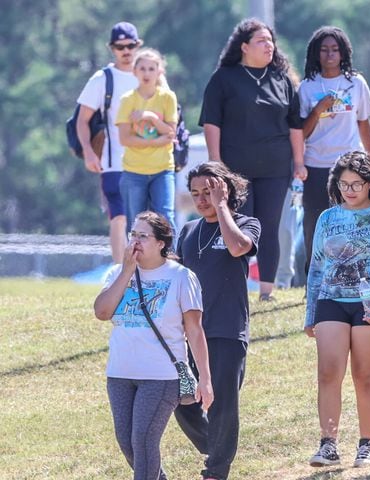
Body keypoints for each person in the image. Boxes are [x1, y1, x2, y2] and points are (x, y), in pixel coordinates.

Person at [93, 211, 214, 480]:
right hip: (120, 373)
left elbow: (194, 331)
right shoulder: (117, 272)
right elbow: (102, 312)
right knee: (127, 443)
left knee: (144, 440)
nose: (135, 241)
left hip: (161, 376)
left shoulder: (181, 277)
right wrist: (126, 270)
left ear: (161, 242)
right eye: (133, 234)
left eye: (143, 236)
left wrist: (205, 379)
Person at [304, 151, 370, 468]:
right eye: (344, 184)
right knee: (327, 373)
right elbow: (316, 268)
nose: (350, 190)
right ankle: (328, 444)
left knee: (364, 375)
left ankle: (368, 444)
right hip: (331, 300)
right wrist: (310, 314)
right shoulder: (327, 218)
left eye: (356, 184)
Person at [199, 17, 306, 301]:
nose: (268, 46)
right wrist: (215, 164)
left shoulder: (282, 80)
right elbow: (211, 123)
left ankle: (267, 291)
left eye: (271, 41)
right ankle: (236, 288)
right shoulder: (223, 79)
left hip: (275, 167)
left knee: (269, 227)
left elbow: (295, 125)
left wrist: (299, 163)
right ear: (244, 46)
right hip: (236, 170)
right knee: (239, 226)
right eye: (261, 41)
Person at [173, 162, 261, 480]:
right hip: (189, 334)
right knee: (179, 397)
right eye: (195, 193)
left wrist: (222, 207)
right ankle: (218, 448)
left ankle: (217, 469)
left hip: (227, 329)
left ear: (224, 191)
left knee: (222, 403)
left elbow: (239, 248)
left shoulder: (245, 223)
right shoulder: (187, 231)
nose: (201, 200)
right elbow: (173, 275)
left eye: (208, 192)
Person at [298, 26, 370, 274]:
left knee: (351, 221)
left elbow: (363, 121)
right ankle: (314, 276)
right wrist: (318, 109)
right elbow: (302, 131)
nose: (330, 55)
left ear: (343, 53)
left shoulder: (356, 83)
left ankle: (352, 272)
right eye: (324, 50)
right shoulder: (307, 87)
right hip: (316, 164)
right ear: (315, 54)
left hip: (348, 165)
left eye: (335, 49)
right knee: (315, 223)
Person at [77, 22, 142, 263]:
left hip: (149, 161)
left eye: (130, 45)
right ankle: (120, 275)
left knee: (150, 218)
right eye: (120, 46)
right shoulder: (103, 79)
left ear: (138, 45)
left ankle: (148, 275)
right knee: (119, 217)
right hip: (114, 162)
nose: (126, 51)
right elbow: (82, 120)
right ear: (112, 48)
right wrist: (88, 152)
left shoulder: (149, 73)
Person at [116, 47, 178, 239]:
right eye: (142, 68)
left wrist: (150, 117)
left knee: (165, 218)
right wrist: (159, 140)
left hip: (162, 169)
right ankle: (136, 265)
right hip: (134, 171)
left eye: (151, 69)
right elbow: (125, 138)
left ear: (159, 72)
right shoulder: (128, 100)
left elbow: (171, 131)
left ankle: (172, 261)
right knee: (136, 222)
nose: (147, 73)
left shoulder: (167, 97)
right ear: (134, 71)